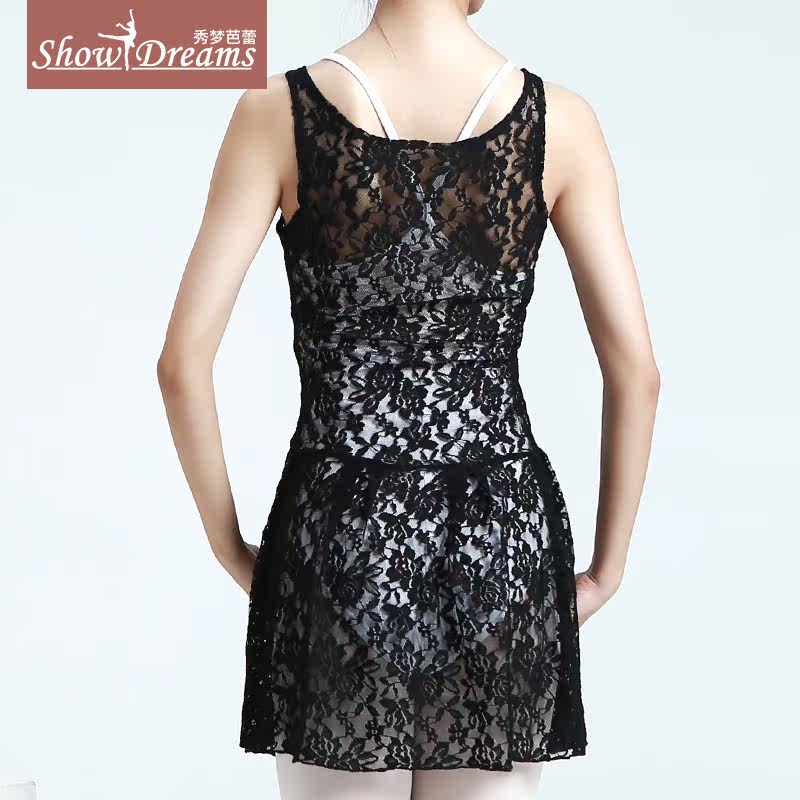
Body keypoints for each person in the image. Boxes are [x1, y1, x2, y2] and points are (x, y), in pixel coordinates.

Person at [157, 1, 660, 797]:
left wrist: (233, 550)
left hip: (340, 532)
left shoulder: (277, 112)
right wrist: (607, 570)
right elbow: (636, 369)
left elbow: (182, 363)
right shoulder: (560, 121)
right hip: (501, 536)